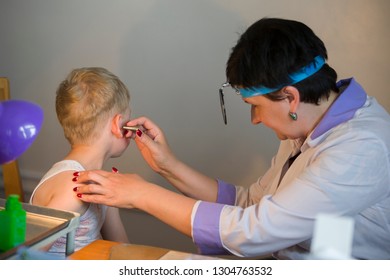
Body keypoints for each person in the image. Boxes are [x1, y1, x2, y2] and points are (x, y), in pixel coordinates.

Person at [73, 18, 390, 259]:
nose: (255, 120)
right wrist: (167, 166)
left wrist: (142, 195)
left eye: (255, 108)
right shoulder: (305, 128)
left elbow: (256, 229)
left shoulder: (361, 148)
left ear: (290, 98)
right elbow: (251, 203)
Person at [30, 67, 130, 255]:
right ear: (118, 125)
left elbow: (122, 251)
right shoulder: (72, 188)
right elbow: (24, 260)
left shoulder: (97, 181)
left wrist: (113, 203)